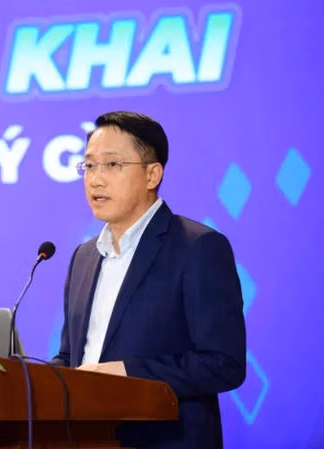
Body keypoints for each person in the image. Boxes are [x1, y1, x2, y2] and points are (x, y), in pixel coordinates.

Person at [51, 111, 246, 449]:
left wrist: (127, 372)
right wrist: (32, 379)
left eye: (112, 165)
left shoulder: (197, 247)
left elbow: (223, 364)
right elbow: (72, 358)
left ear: (152, 174)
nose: (95, 179)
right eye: (89, 165)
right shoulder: (83, 257)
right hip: (89, 439)